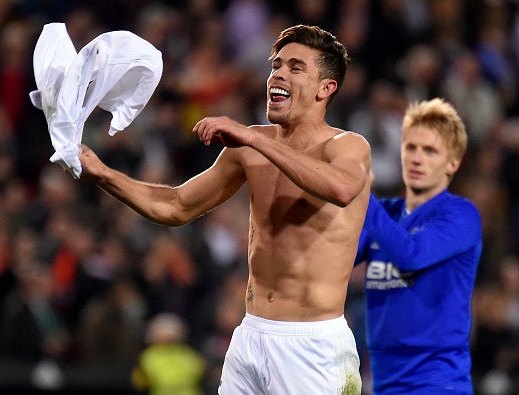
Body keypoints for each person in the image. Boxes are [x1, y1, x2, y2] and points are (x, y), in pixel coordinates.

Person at [78, 25, 371, 395]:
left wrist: (251, 137)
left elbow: (341, 188)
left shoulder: (347, 146)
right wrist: (103, 174)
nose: (278, 74)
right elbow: (176, 206)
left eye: (296, 68)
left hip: (314, 347)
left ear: (325, 89)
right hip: (250, 336)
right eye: (276, 65)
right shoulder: (249, 146)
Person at [354, 97, 483, 394]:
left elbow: (411, 254)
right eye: (410, 147)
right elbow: (338, 259)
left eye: (430, 151)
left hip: (437, 383)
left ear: (453, 163)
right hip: (384, 382)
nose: (416, 158)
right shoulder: (385, 213)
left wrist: (359, 190)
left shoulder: (461, 215)